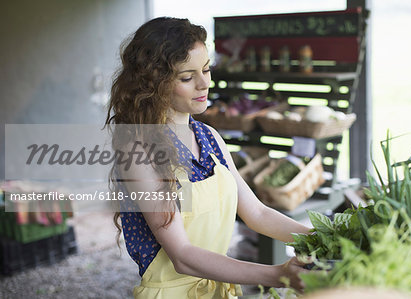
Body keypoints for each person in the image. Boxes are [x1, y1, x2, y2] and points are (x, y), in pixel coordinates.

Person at [105, 17, 312, 299]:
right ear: (153, 83)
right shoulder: (138, 151)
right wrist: (277, 274)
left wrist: (319, 238)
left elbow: (257, 213)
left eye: (206, 69)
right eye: (187, 77)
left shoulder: (209, 137)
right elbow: (183, 256)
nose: (204, 84)